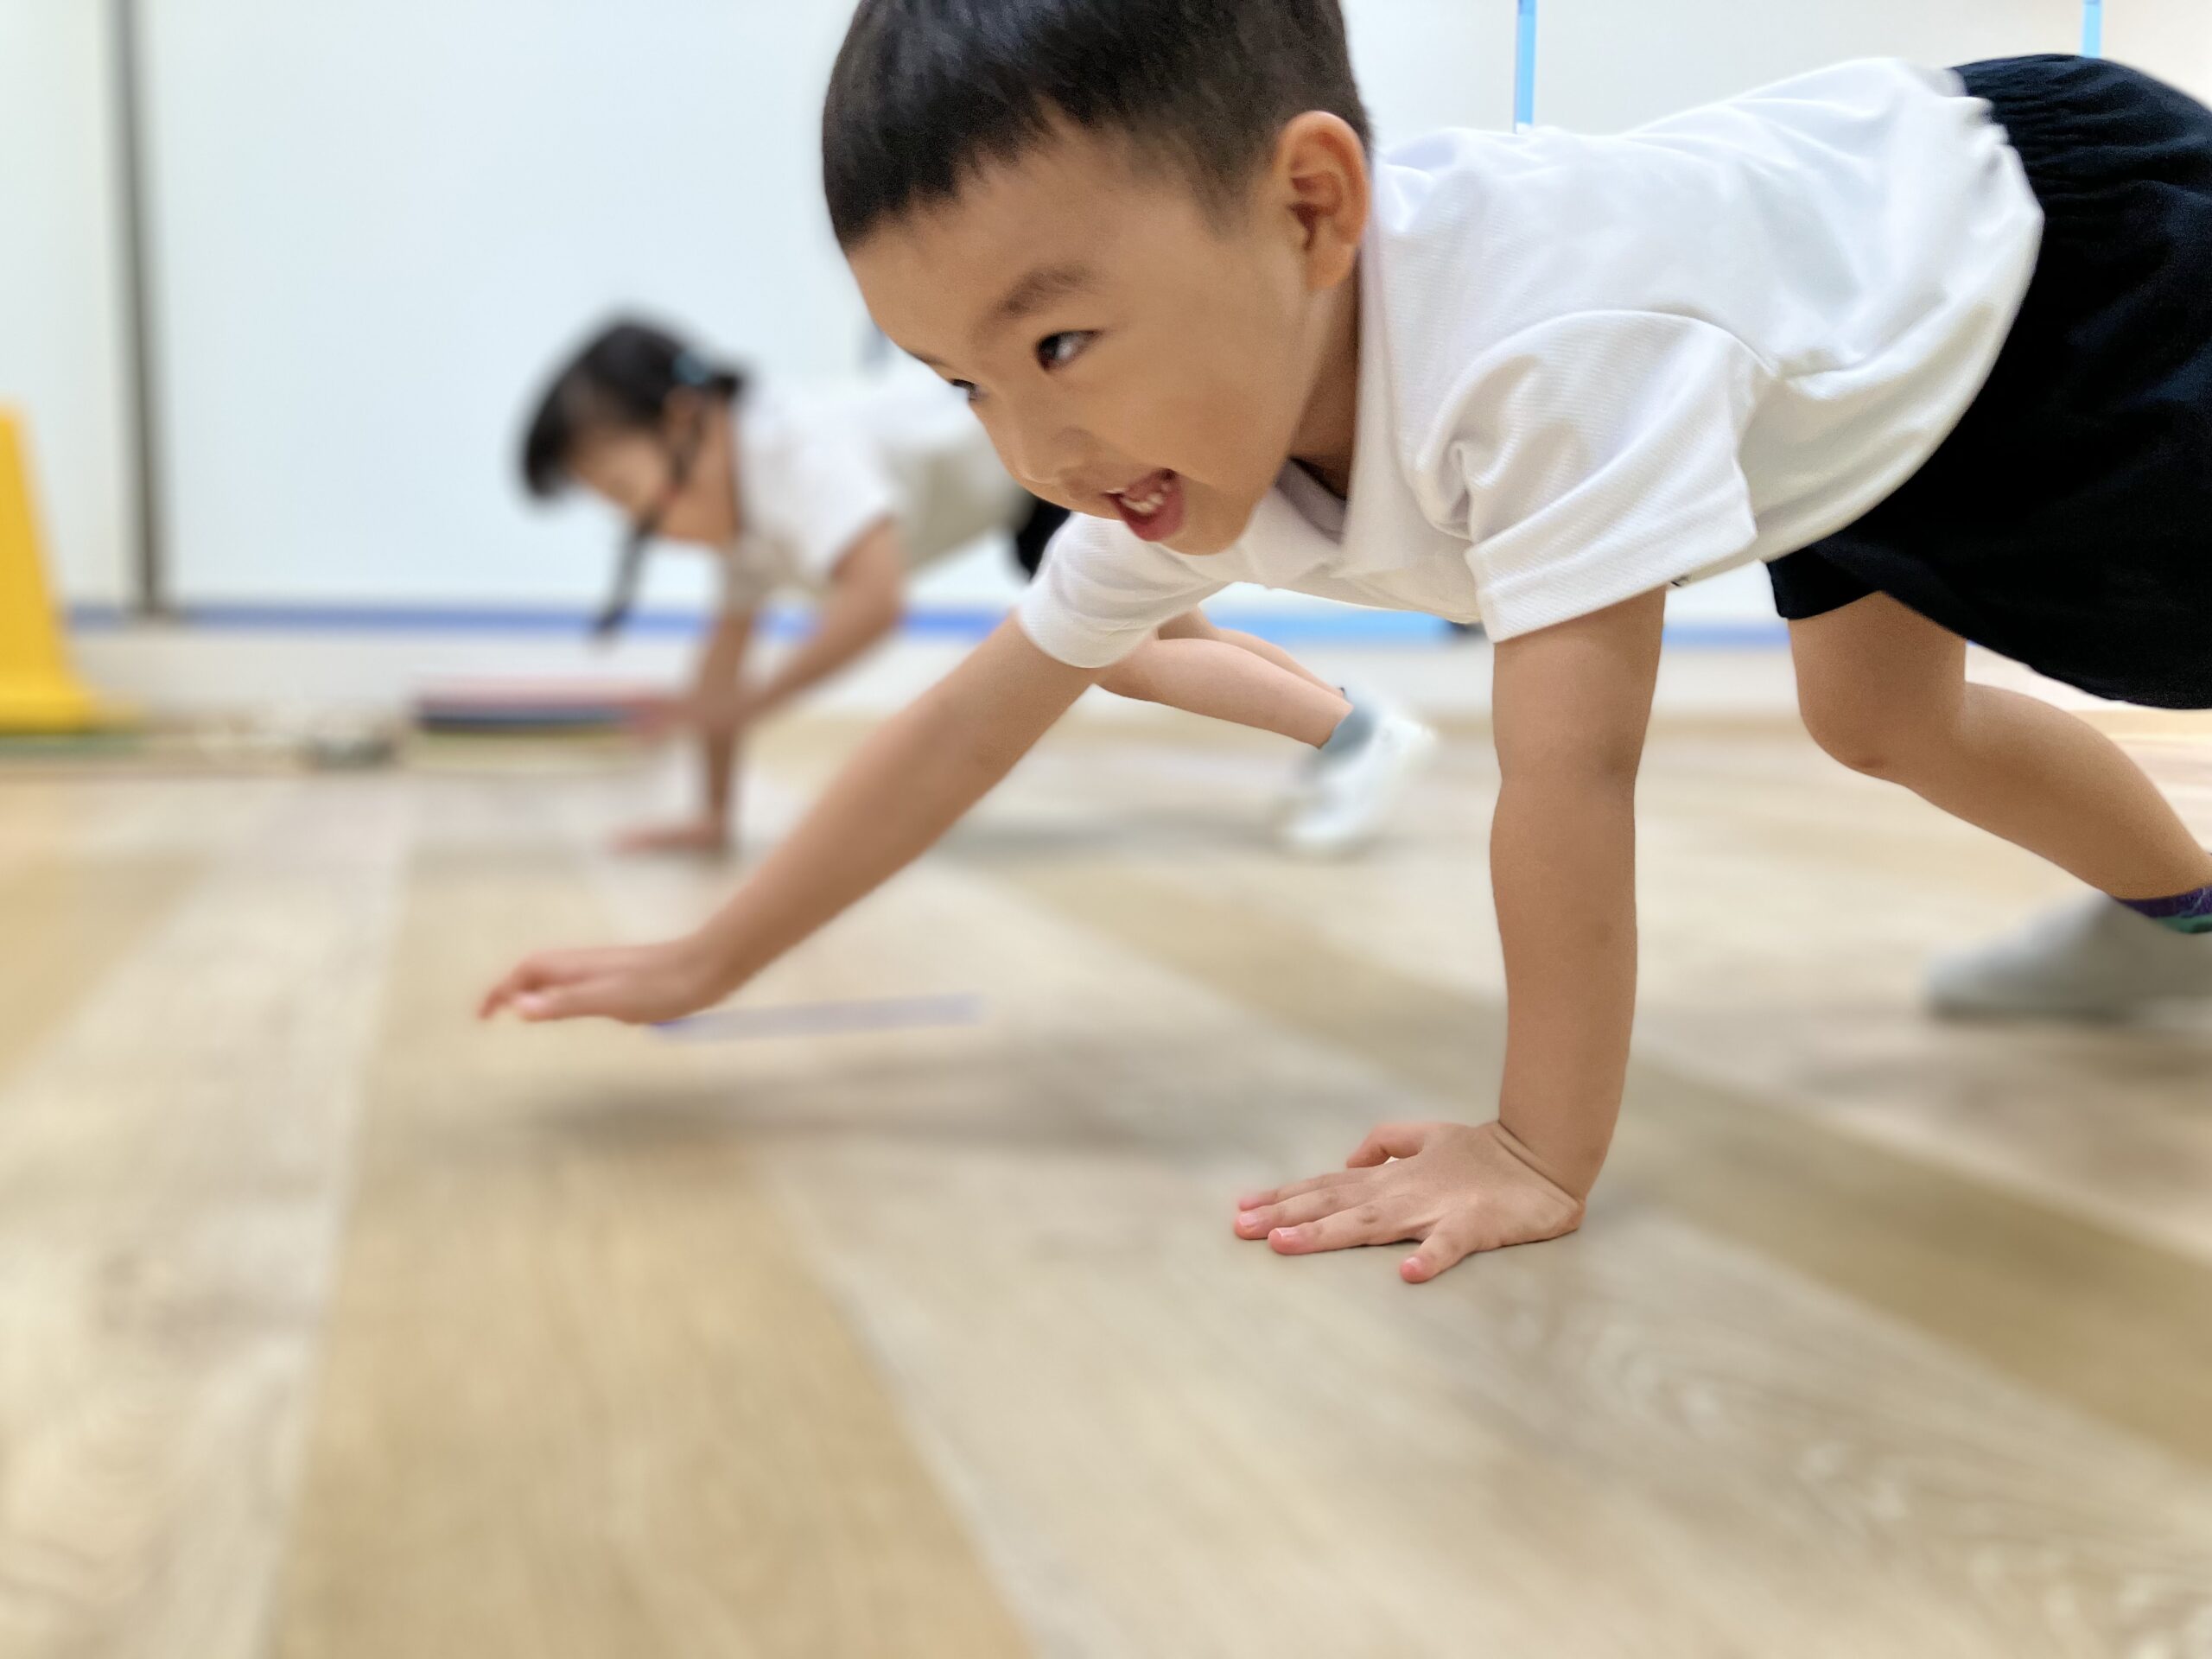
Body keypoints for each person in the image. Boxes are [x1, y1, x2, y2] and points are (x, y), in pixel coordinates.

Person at [486, 0, 2212, 1285]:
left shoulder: (1527, 357)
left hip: (2048, 259)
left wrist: (1533, 1146)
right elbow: (969, 720)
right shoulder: (1184, 426)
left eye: (1062, 343)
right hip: (1829, 355)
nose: (1028, 453)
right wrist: (710, 958)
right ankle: (2178, 923)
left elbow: (1568, 766)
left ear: (1310, 209)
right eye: (964, 384)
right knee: (1878, 719)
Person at [519, 318, 1433, 855]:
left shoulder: (788, 449)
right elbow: (719, 666)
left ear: (689, 423)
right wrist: (714, 815)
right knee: (1173, 649)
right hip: (1030, 493)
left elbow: (872, 603)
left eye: (633, 497)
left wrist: (750, 702)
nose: (649, 528)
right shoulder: (740, 513)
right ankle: (1359, 730)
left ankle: (1356, 734)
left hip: (1052, 463)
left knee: (1117, 658)